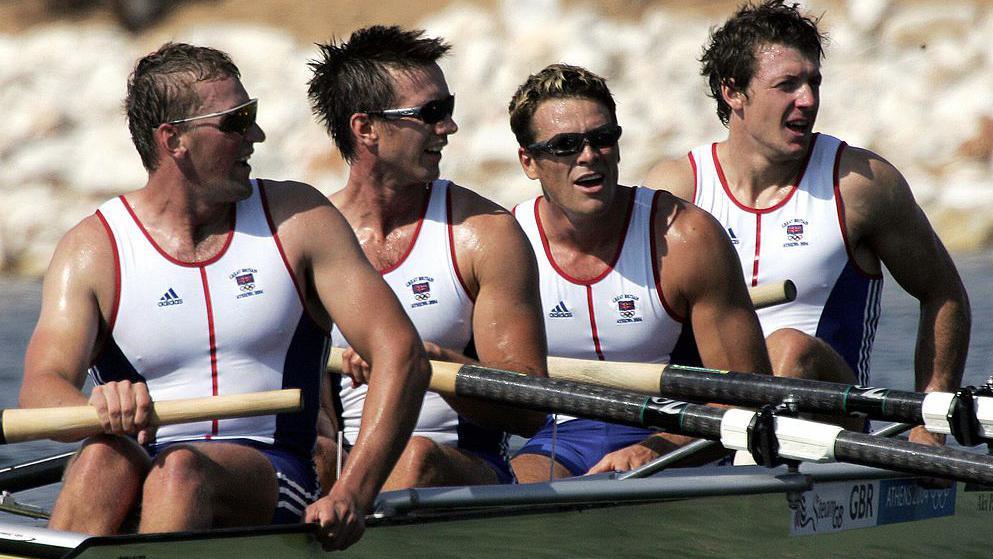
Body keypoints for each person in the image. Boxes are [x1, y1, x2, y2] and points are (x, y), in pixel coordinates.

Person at [18, 42, 431, 550]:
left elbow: (401, 354)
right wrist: (97, 403)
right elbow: (40, 391)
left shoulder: (298, 219)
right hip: (147, 459)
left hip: (276, 471)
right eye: (237, 120)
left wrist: (354, 492)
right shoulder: (92, 249)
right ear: (175, 140)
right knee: (103, 458)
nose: (256, 135)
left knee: (181, 472)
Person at [643, 0, 971, 446]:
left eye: (813, 82)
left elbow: (944, 294)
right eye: (787, 85)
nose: (808, 100)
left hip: (829, 417)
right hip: (709, 419)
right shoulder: (676, 188)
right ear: (732, 91)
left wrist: (929, 424)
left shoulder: (860, 184)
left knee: (786, 349)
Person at [306, 25, 548, 489]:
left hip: (460, 465)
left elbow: (528, 411)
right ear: (366, 129)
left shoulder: (485, 234)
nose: (449, 127)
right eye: (431, 112)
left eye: (448, 108)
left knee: (415, 456)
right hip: (342, 465)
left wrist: (427, 361)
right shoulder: (310, 235)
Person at [506, 63, 772, 482]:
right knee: (519, 482)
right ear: (529, 161)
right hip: (560, 438)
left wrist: (655, 449)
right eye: (565, 145)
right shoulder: (506, 243)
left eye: (603, 139)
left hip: (675, 429)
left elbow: (746, 396)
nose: (589, 156)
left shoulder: (686, 236)